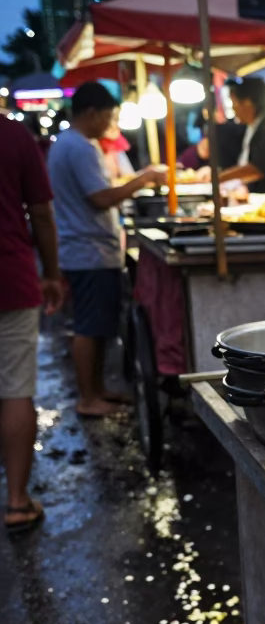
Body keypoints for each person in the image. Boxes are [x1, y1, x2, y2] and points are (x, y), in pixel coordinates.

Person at [48, 81, 167, 418]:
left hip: (86, 248)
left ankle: (97, 389)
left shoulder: (69, 144)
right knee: (88, 326)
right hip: (89, 251)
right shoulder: (80, 147)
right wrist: (143, 178)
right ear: (92, 113)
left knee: (98, 325)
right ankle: (88, 398)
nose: (111, 122)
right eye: (109, 115)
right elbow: (100, 198)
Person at [0, 115, 65, 534]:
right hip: (10, 277)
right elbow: (41, 213)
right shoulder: (12, 134)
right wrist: (53, 272)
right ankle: (18, 503)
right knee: (15, 388)